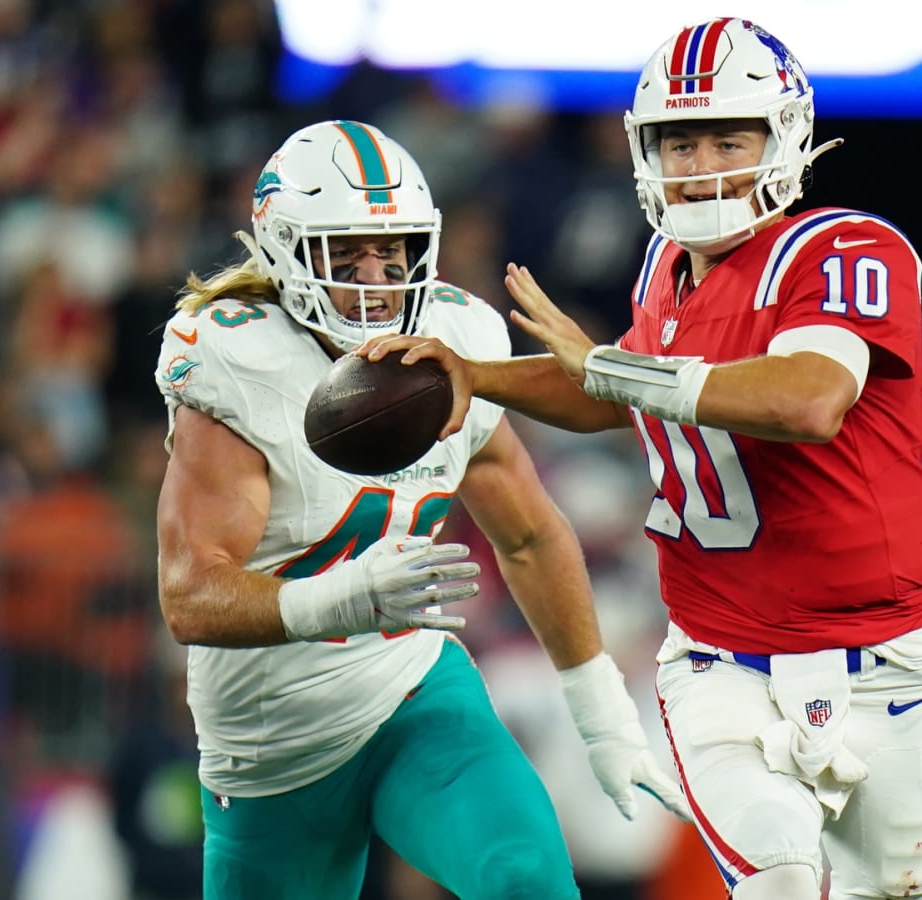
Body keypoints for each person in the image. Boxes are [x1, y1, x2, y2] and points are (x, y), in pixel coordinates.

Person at [362, 18, 922, 900]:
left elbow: (807, 400)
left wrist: (609, 363)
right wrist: (478, 378)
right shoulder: (664, 267)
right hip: (723, 663)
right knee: (782, 887)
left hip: (890, 656)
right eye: (680, 142)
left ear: (785, 139)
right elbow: (621, 394)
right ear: (645, 150)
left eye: (730, 137)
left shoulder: (842, 248)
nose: (703, 163)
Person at [152, 119, 688, 900]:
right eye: (348, 255)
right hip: (270, 745)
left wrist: (598, 704)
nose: (376, 278)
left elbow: (531, 533)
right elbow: (190, 593)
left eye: (392, 251)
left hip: (411, 688)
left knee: (525, 878)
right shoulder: (237, 359)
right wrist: (347, 597)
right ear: (285, 251)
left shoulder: (450, 338)